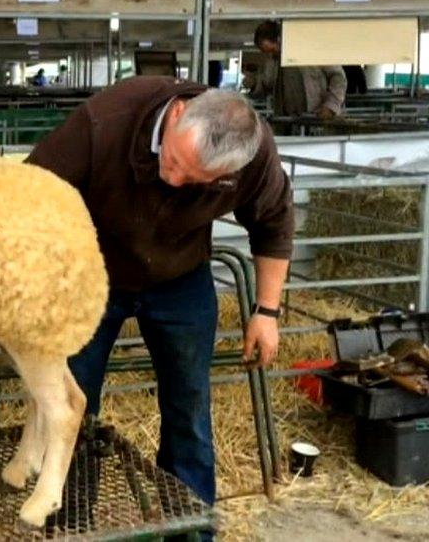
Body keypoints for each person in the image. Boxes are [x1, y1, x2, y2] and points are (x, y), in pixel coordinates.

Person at [25, 75, 294, 540]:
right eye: (173, 162)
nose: (174, 179)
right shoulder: (104, 123)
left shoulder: (252, 152)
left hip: (180, 274)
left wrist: (267, 312)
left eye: (195, 179)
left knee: (189, 407)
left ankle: (189, 529)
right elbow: (31, 194)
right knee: (73, 402)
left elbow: (273, 222)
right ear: (175, 116)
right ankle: (71, 522)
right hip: (93, 274)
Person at [245, 20, 347, 119]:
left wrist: (330, 106)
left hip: (319, 119)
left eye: (272, 50)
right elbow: (266, 84)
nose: (270, 55)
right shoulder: (274, 62)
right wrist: (253, 83)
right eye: (265, 52)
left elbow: (339, 78)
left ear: (280, 39)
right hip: (289, 120)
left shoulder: (315, 49)